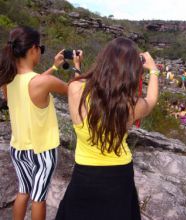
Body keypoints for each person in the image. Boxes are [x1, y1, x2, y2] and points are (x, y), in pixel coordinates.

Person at [55, 37, 159, 220]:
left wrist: (77, 66)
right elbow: (150, 101)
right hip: (119, 176)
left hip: (84, 175)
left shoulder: (75, 89)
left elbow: (80, 85)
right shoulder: (130, 105)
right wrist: (154, 71)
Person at [0, 26, 77, 220]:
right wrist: (77, 66)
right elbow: (74, 91)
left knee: (23, 191)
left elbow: (30, 83)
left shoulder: (7, 81)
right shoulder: (44, 82)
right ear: (33, 49)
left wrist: (54, 67)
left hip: (18, 149)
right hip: (42, 150)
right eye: (40, 49)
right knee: (38, 197)